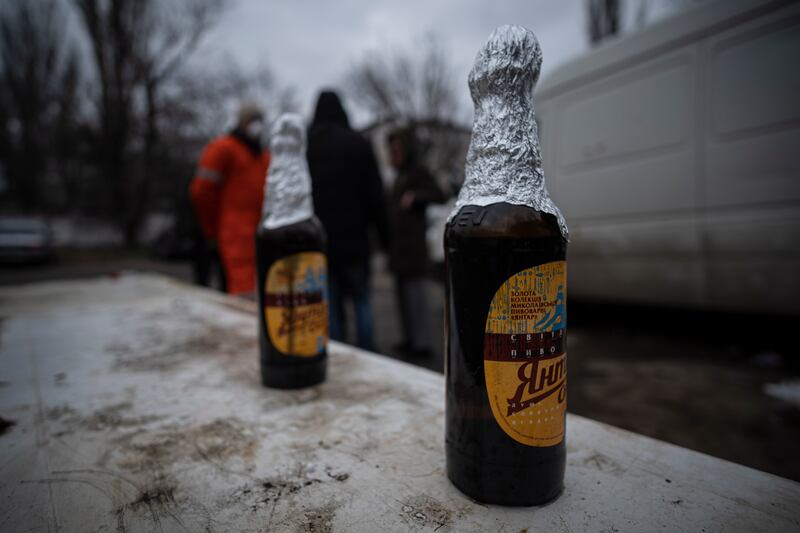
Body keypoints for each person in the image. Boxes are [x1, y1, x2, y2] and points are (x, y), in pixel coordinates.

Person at [306, 90, 388, 351]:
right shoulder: (358, 144)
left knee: (330, 303)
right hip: (355, 242)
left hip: (321, 243)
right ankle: (367, 353)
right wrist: (385, 237)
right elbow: (376, 195)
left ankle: (339, 353)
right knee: (362, 300)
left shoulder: (307, 146)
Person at [189, 102, 270, 297]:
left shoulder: (263, 156)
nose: (256, 125)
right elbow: (201, 192)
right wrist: (212, 229)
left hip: (260, 233)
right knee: (242, 291)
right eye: (252, 120)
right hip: (234, 233)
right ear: (242, 122)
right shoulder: (223, 149)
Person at [387, 127, 445, 358]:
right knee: (402, 297)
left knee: (417, 297)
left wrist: (416, 198)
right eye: (392, 150)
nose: (394, 153)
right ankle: (410, 340)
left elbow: (439, 194)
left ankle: (423, 344)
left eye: (398, 149)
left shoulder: (417, 172)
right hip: (399, 249)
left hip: (413, 248)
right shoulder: (398, 175)